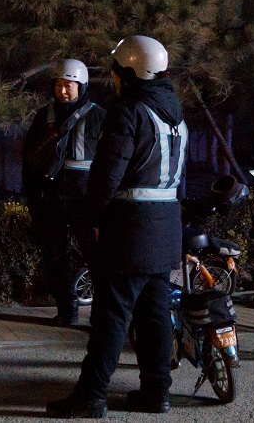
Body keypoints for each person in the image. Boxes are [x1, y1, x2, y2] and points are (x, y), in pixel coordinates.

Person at [47, 36, 187, 418]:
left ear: (131, 72)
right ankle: (157, 392)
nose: (113, 80)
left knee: (111, 315)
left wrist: (93, 219)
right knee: (155, 315)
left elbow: (106, 176)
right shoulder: (174, 113)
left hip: (130, 231)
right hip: (165, 228)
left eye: (118, 72)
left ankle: (91, 395)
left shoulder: (128, 113)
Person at [22, 59, 106, 326]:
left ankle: (101, 315)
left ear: (81, 86)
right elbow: (28, 159)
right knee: (56, 258)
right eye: (58, 85)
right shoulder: (43, 116)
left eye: (69, 85)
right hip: (50, 200)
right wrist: (33, 197)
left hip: (84, 201)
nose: (63, 91)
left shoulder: (99, 116)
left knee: (97, 259)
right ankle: (67, 311)